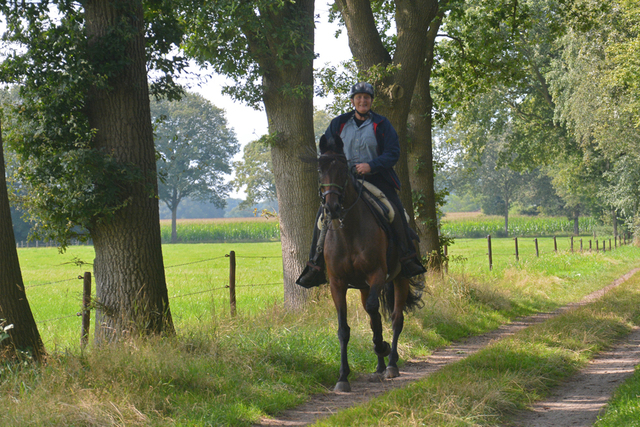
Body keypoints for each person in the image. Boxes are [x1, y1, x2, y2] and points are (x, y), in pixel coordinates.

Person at [296, 82, 426, 288]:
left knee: (395, 211)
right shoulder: (338, 124)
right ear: (352, 101)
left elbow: (393, 153)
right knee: (322, 217)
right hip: (343, 181)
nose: (363, 101)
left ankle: (407, 258)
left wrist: (371, 166)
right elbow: (328, 150)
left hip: (376, 179)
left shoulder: (382, 124)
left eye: (366, 97)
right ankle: (315, 266)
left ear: (371, 101)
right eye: (359, 97)